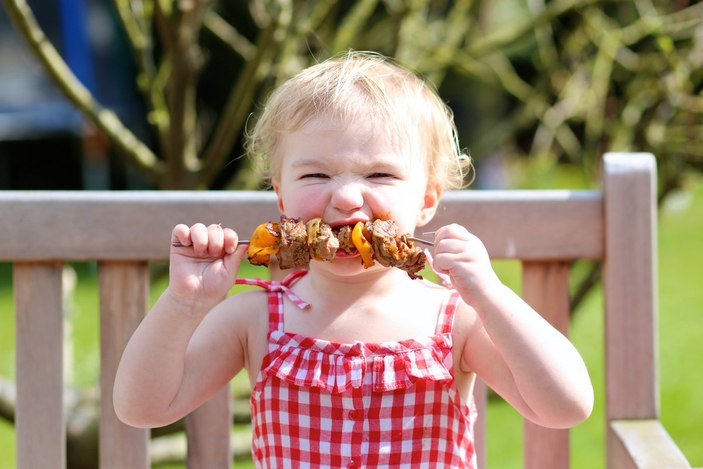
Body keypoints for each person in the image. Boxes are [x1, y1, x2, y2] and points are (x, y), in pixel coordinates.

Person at [113, 51, 593, 468]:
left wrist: (490, 295)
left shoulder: (456, 320)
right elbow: (142, 407)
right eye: (316, 173)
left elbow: (565, 406)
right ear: (281, 197)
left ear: (426, 201)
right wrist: (183, 304)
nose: (345, 198)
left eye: (380, 174)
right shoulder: (254, 319)